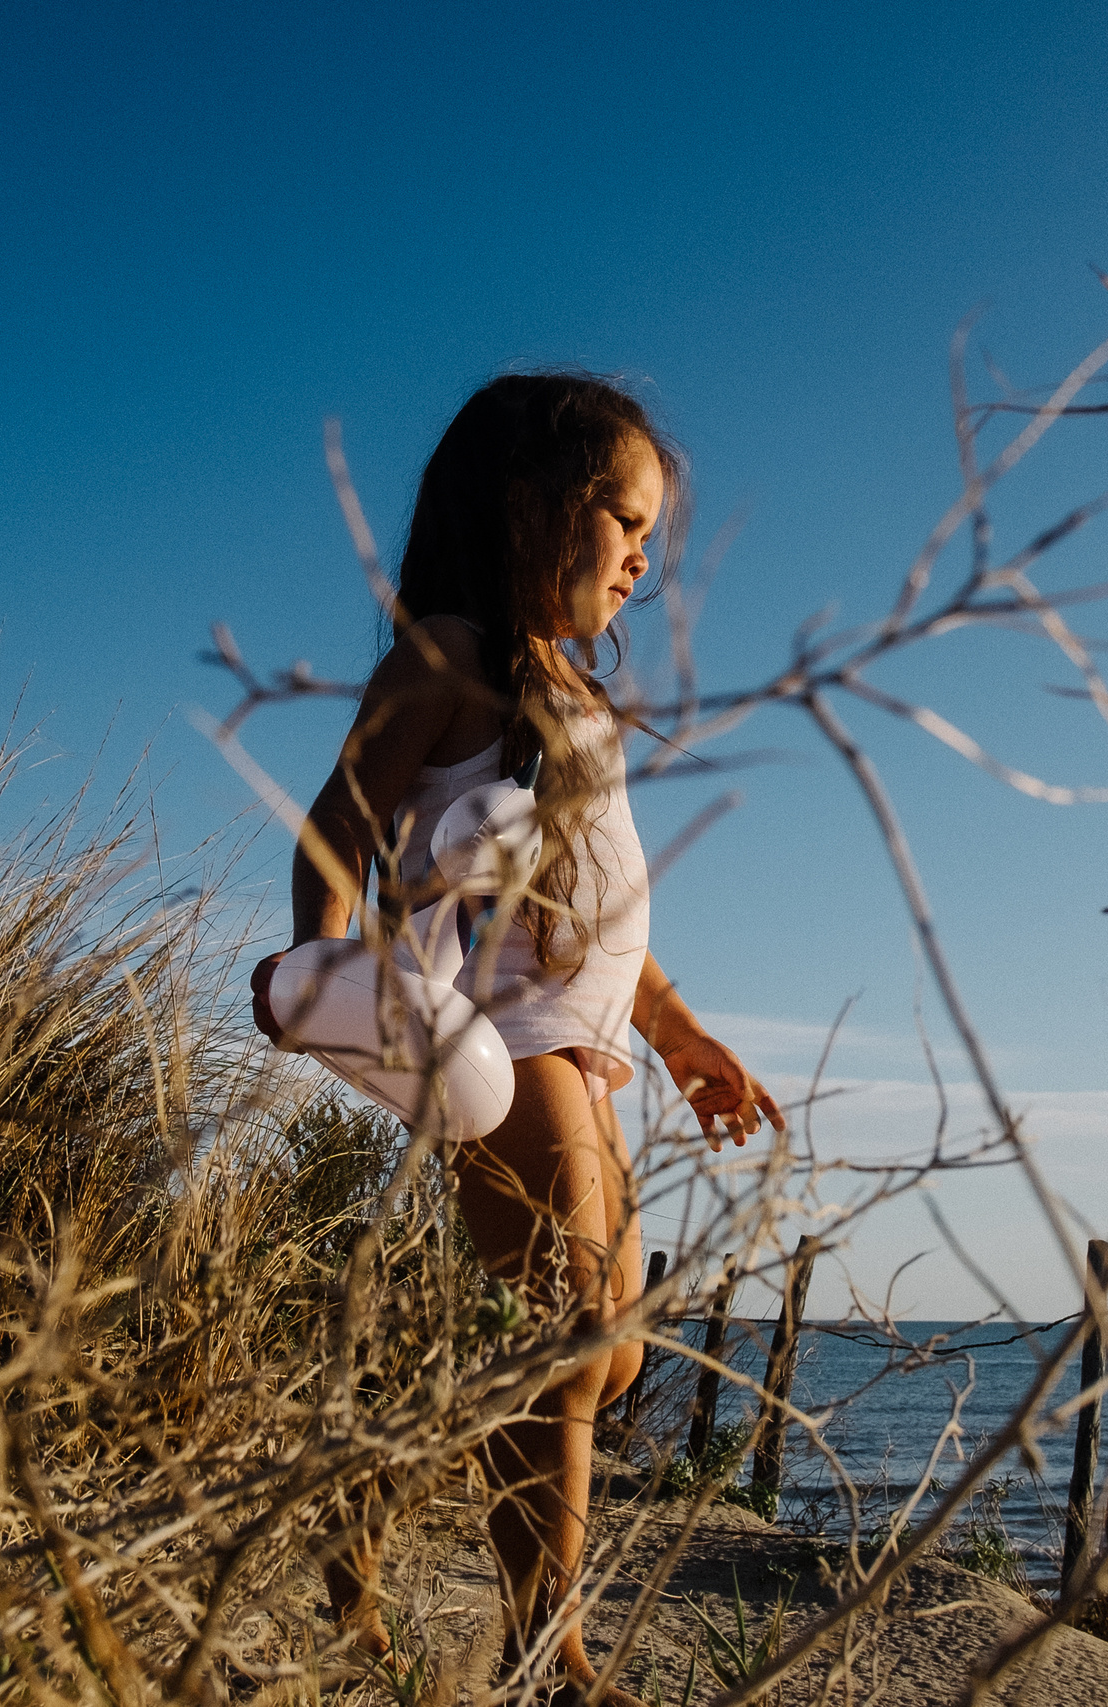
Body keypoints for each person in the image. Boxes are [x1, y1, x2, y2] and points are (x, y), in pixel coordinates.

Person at [251, 372, 782, 1703]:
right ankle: (554, 1657)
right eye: (627, 520)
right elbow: (339, 829)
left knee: (604, 1355)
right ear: (533, 506)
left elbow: (611, 912)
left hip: (586, 1048)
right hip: (494, 1040)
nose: (644, 557)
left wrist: (679, 1034)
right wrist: (333, 980)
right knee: (569, 1336)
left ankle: (354, 1507)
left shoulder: (571, 702)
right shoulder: (446, 657)